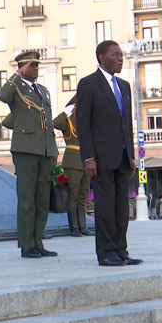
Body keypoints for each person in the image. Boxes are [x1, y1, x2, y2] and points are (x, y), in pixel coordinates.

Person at [76, 40, 142, 267]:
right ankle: (105, 253)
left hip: (123, 158)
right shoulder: (89, 84)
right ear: (102, 58)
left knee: (122, 208)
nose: (120, 58)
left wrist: (131, 155)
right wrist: (88, 157)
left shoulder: (124, 86)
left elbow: (127, 124)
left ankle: (121, 250)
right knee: (105, 207)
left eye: (121, 55)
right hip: (101, 159)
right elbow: (83, 124)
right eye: (115, 55)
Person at [0, 51, 59, 259]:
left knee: (42, 200)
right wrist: (17, 75)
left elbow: (48, 121)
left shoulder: (43, 90)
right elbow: (2, 96)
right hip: (25, 149)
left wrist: (54, 149)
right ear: (23, 67)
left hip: (45, 149)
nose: (36, 69)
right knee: (27, 200)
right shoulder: (15, 88)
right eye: (32, 66)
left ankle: (38, 241)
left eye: (36, 66)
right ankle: (27, 244)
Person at [53, 95, 93, 237]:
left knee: (83, 194)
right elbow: (55, 123)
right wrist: (66, 112)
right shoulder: (68, 122)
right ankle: (74, 227)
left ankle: (83, 226)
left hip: (86, 161)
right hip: (73, 162)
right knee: (73, 195)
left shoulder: (86, 122)